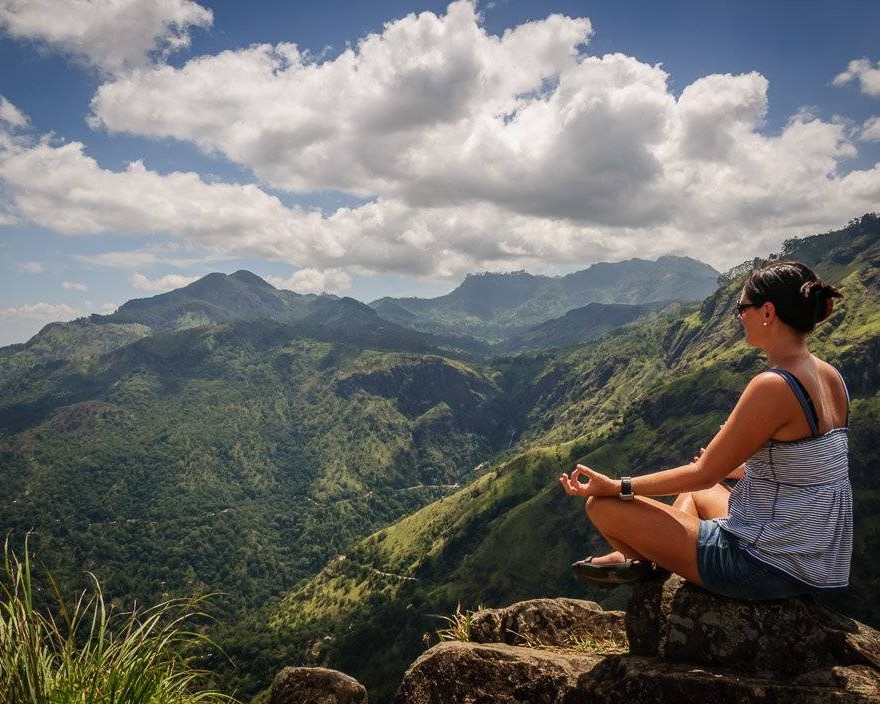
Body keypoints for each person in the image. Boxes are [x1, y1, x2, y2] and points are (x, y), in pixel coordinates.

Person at [559, 260, 851, 600]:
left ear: (767, 312)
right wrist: (745, 467)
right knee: (699, 494)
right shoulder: (831, 375)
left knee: (602, 505)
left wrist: (616, 486)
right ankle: (647, 557)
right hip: (818, 560)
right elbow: (815, 465)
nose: (739, 316)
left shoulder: (773, 385)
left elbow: (701, 472)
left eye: (743, 307)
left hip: (766, 565)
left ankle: (643, 558)